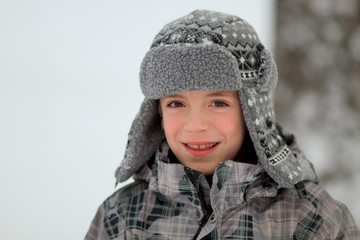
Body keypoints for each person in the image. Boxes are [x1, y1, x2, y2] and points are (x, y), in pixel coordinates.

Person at [85, 9, 360, 239]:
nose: (195, 126)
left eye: (218, 103)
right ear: (157, 112)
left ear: (251, 112)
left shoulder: (312, 219)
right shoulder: (122, 217)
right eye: (176, 104)